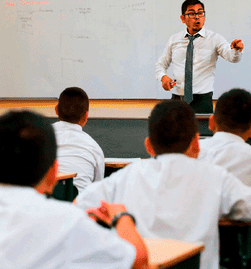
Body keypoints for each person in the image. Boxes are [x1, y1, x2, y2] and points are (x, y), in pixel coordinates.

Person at [75, 100, 251, 269]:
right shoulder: (215, 176)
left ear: (148, 146)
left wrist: (115, 217)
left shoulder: (126, 176)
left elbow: (77, 206)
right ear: (196, 143)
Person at [0, 110, 148, 269]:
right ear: (53, 173)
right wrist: (121, 215)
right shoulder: (65, 220)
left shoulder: (67, 219)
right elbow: (137, 259)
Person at [155, 0, 244, 113]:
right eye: (192, 13)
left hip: (202, 101)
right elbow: (160, 64)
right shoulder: (174, 40)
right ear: (183, 18)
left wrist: (236, 50)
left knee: (202, 131)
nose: (197, 17)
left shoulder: (214, 39)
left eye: (200, 13)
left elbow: (232, 57)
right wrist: (163, 77)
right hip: (177, 100)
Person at [52, 86, 105, 192]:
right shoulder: (94, 148)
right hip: (80, 205)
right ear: (86, 116)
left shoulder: (39, 137)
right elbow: (97, 188)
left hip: (43, 203)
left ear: (56, 109)